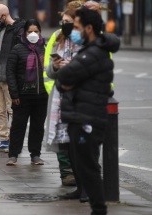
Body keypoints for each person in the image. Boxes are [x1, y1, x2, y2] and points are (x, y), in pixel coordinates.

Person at [56, 7, 120, 215]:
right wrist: (66, 82)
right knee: (85, 167)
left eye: (76, 27)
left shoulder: (93, 53)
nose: (72, 31)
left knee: (89, 168)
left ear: (89, 28)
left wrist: (68, 83)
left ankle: (99, 210)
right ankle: (98, 209)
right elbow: (63, 82)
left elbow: (65, 78)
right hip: (82, 116)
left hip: (87, 119)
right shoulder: (89, 51)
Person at [43, 8, 80, 186]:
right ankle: (66, 172)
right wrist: (56, 67)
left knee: (77, 136)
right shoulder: (58, 38)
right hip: (59, 95)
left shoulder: (86, 40)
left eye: (68, 22)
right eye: (63, 21)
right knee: (60, 134)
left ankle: (80, 174)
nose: (64, 25)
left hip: (79, 96)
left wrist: (72, 66)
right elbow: (49, 71)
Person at [5, 19, 47, 166]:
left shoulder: (45, 48)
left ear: (40, 32)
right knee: (18, 125)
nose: (33, 34)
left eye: (36, 31)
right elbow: (10, 73)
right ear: (25, 33)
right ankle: (13, 154)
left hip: (41, 95)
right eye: (30, 32)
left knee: (38, 126)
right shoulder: (17, 49)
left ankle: (35, 154)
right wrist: (14, 94)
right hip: (22, 96)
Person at [0, 3, 25, 152]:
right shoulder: (2, 29)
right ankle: (3, 139)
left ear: (3, 16)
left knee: (12, 110)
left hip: (8, 77)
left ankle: (14, 141)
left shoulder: (18, 30)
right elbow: (1, 41)